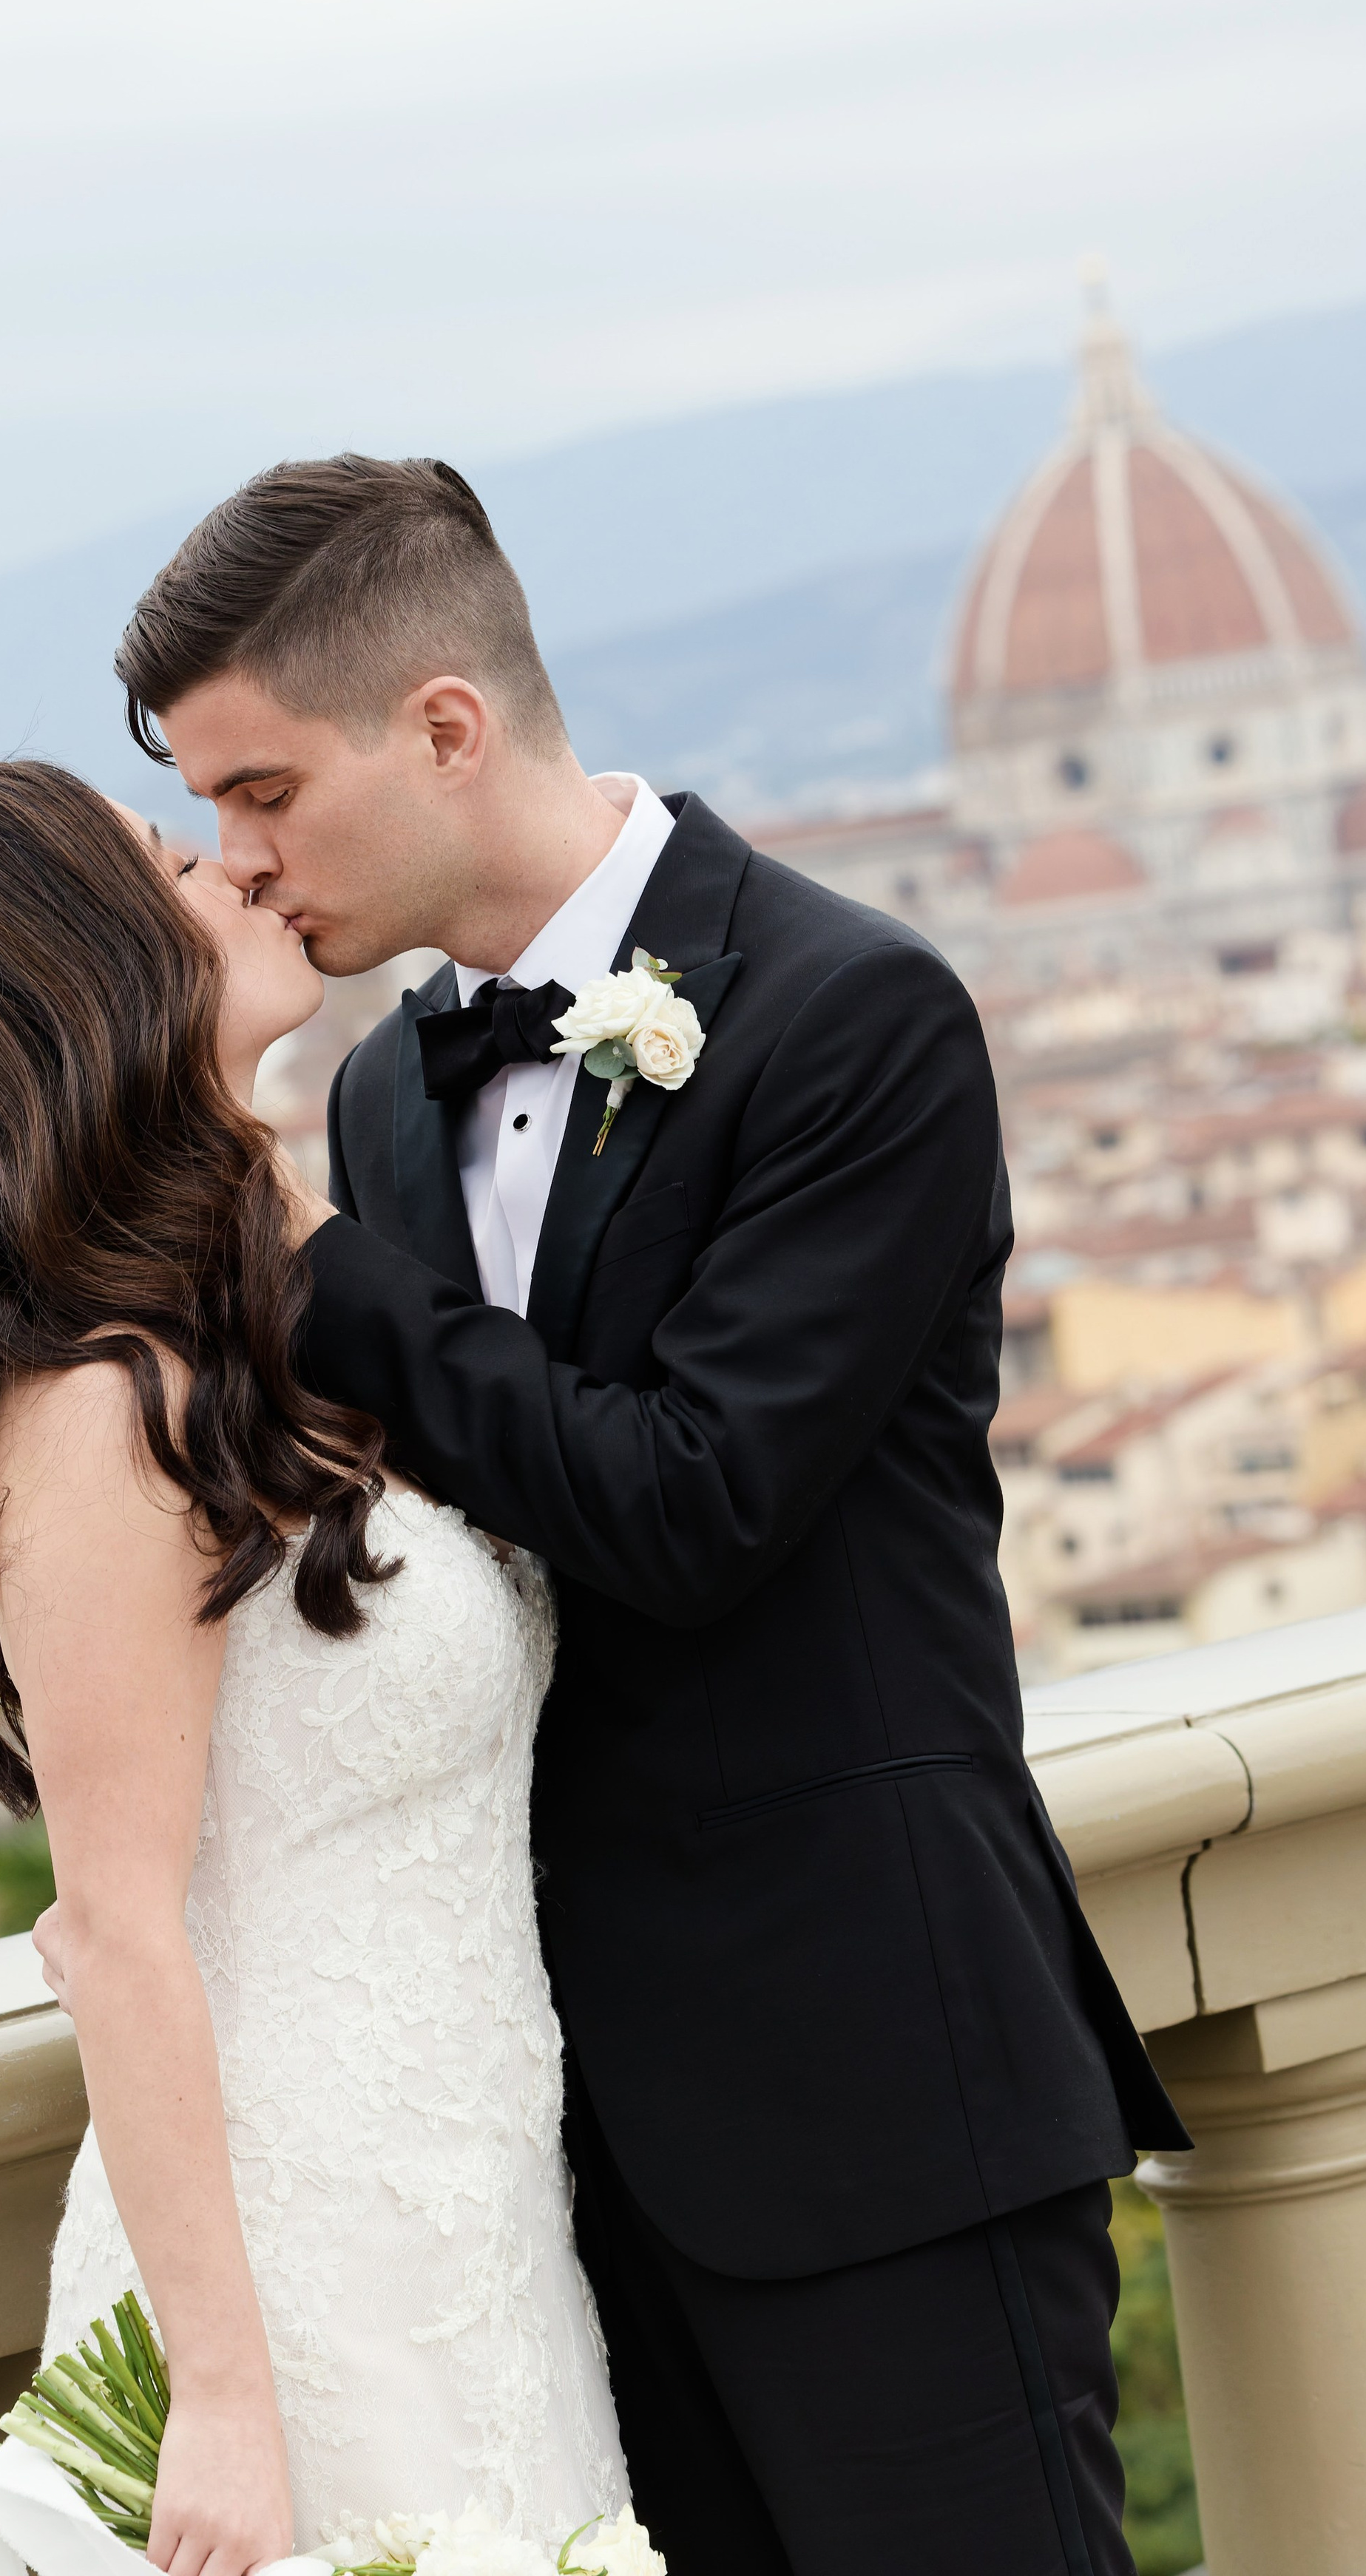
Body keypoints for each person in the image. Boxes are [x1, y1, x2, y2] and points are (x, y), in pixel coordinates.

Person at [108, 453, 1190, 2576]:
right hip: (543, 2167)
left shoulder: (849, 1018)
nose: (237, 864)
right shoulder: (376, 1099)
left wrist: (309, 1259)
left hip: (876, 2100)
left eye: (261, 793)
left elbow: (699, 1506)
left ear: (445, 726)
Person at [0, 760, 634, 2576]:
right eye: (177, 861)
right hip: (292, 2292)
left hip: (471, 2245)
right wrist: (226, 2398)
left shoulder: (259, 1318)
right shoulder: (107, 1402)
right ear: (86, 971)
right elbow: (113, 1924)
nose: (241, 874)